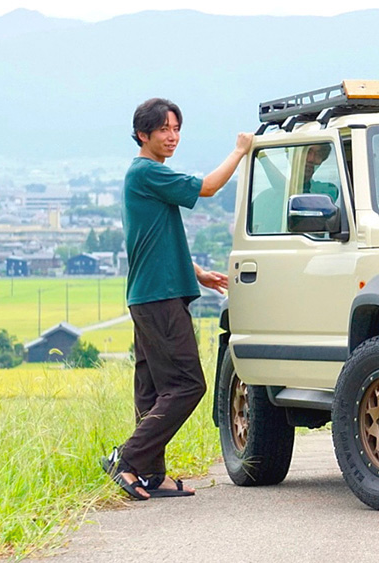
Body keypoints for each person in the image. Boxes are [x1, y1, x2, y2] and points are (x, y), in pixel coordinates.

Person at [102, 98, 252, 500]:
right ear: (142, 135)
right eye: (164, 130)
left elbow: (152, 238)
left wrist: (197, 272)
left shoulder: (146, 176)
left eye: (176, 129)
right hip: (159, 297)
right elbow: (207, 187)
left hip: (150, 294)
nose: (172, 137)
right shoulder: (147, 171)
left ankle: (150, 474)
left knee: (152, 390)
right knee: (188, 384)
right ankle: (127, 460)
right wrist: (240, 150)